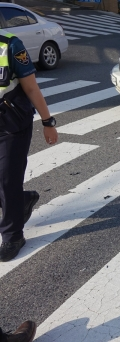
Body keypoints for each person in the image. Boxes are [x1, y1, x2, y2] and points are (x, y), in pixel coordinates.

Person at [0, 30, 58, 263]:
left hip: (11, 123)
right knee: (6, 187)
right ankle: (21, 201)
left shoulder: (11, 46)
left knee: (7, 180)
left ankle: (12, 236)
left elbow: (31, 88)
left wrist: (48, 122)